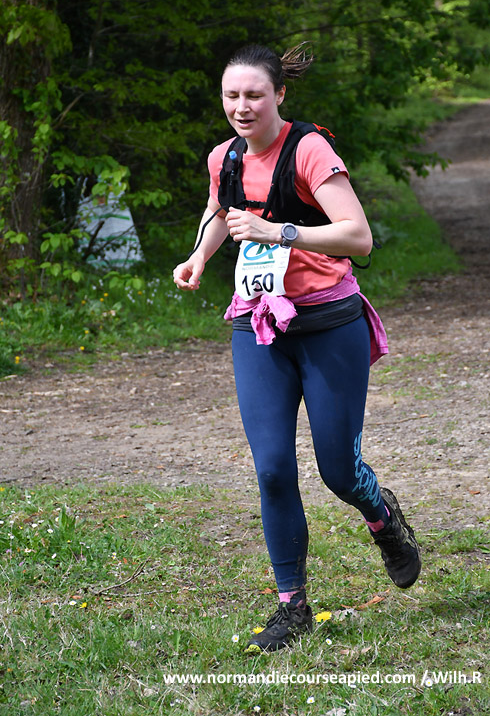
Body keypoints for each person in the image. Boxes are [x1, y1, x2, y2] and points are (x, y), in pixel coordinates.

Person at [173, 43, 421, 653]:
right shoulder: (225, 157)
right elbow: (218, 210)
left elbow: (358, 237)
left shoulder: (309, 150)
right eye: (231, 95)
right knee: (272, 468)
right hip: (259, 323)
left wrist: (277, 231)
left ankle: (383, 518)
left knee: (338, 469)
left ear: (279, 94)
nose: (241, 106)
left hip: (329, 323)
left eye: (254, 95)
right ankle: (293, 606)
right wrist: (199, 256)